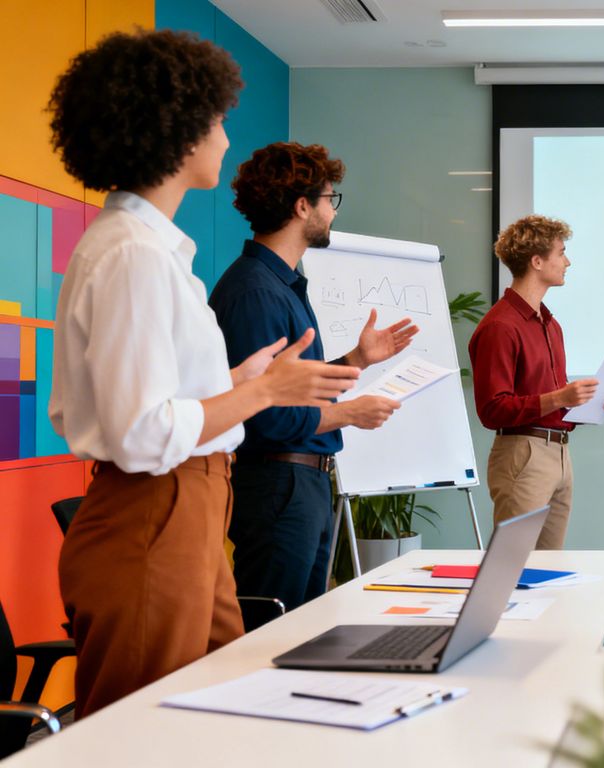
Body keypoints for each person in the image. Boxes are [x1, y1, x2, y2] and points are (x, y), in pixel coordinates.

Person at [47, 30, 359, 717]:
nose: (225, 137)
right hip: (155, 510)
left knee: (210, 715)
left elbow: (161, 402)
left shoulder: (150, 250)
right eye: (217, 120)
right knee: (143, 736)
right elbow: (142, 432)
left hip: (188, 510)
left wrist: (238, 380)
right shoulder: (134, 255)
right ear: (181, 133)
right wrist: (259, 391)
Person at [209, 142, 416, 610]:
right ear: (302, 206)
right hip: (279, 487)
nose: (333, 213)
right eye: (329, 199)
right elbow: (267, 416)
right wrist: (348, 414)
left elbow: (293, 386)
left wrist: (356, 360)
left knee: (298, 628)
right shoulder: (255, 293)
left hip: (302, 486)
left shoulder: (280, 285)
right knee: (270, 635)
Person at [469, 215, 604, 549]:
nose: (567, 261)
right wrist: (559, 397)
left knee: (549, 568)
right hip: (523, 454)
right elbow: (491, 409)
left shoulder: (550, 325)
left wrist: (597, 404)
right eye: (561, 252)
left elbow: (554, 400)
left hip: (559, 454)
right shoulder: (501, 326)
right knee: (516, 567)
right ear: (537, 261)